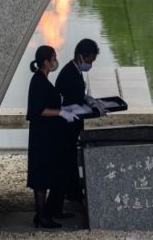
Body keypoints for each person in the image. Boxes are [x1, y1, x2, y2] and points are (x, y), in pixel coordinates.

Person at [26, 45, 79, 229]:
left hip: (49, 135)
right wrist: (61, 113)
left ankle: (51, 211)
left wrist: (65, 108)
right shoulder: (38, 81)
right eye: (53, 58)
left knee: (50, 171)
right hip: (41, 136)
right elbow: (38, 110)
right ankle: (41, 216)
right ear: (46, 62)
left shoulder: (43, 79)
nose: (56, 61)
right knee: (40, 175)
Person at [55, 38, 104, 205]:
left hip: (73, 124)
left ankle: (73, 191)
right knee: (68, 159)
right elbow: (68, 102)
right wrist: (89, 108)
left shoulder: (76, 71)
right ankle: (71, 193)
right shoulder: (68, 73)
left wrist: (90, 101)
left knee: (71, 157)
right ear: (80, 57)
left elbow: (79, 96)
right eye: (89, 61)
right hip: (66, 125)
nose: (90, 65)